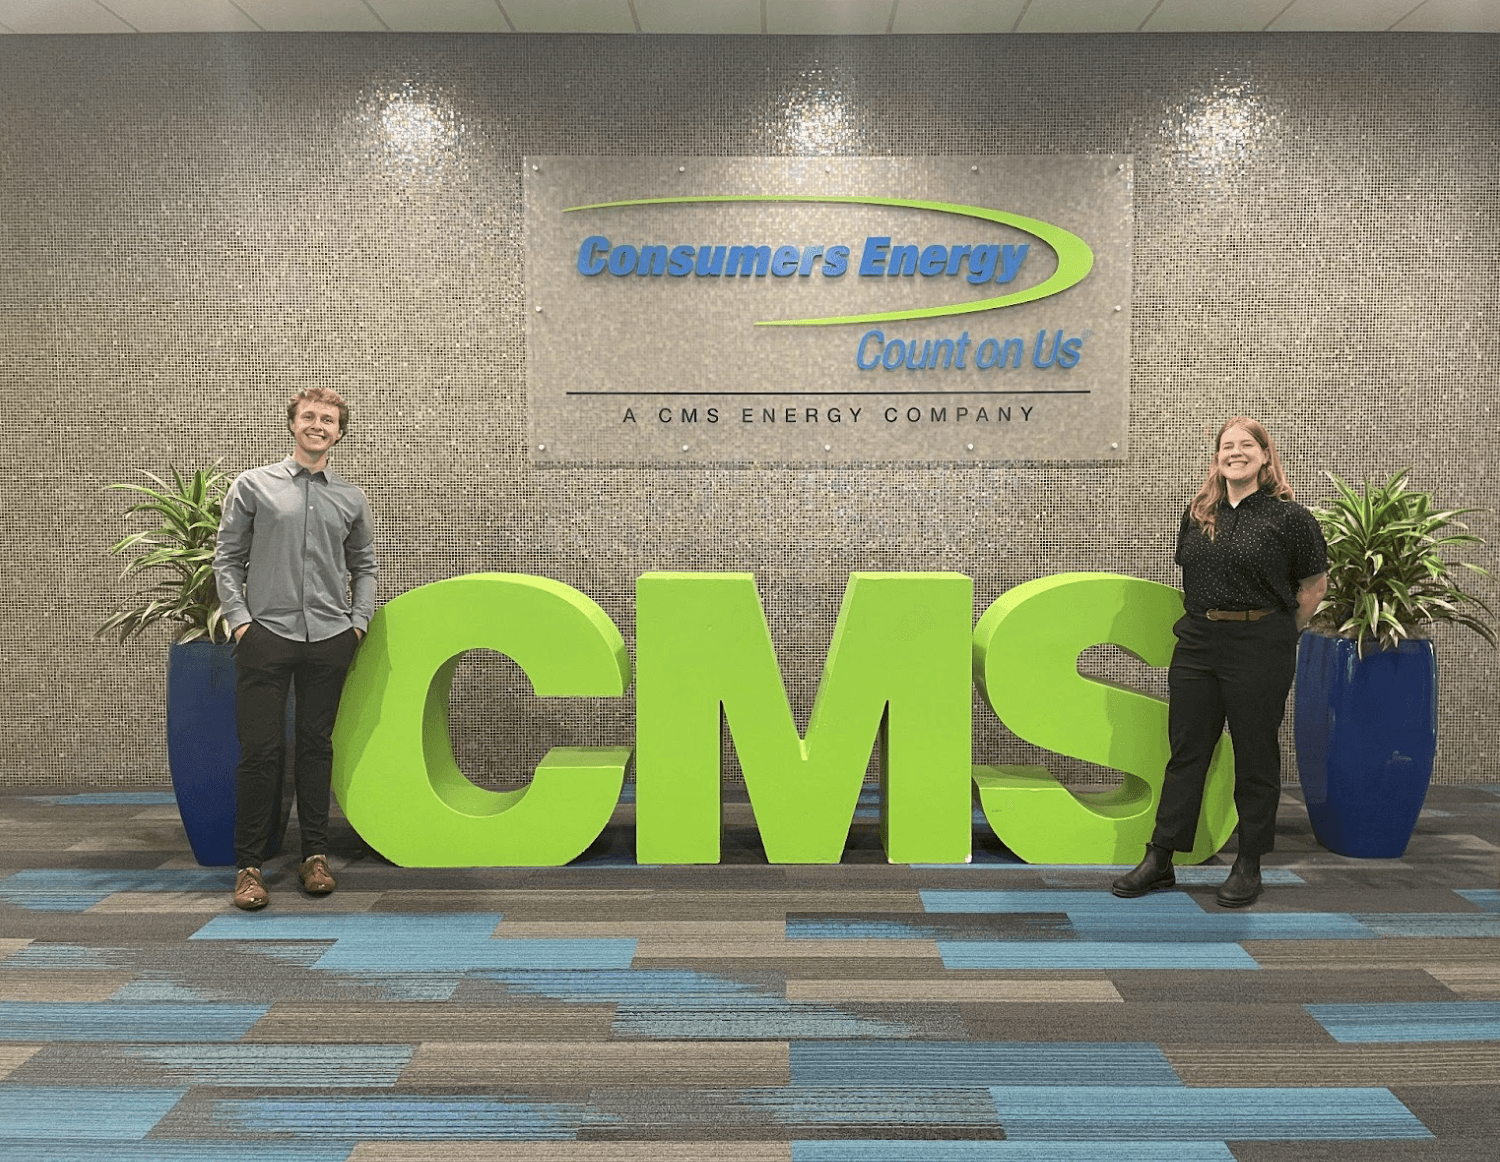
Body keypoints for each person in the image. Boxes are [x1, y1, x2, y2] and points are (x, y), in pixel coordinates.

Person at [1113, 417, 1326, 908]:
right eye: (1227, 446)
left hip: (1261, 643)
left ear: (1265, 456)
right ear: (1217, 458)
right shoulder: (1197, 512)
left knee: (1254, 755)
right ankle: (1160, 858)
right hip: (1198, 643)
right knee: (1187, 751)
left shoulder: (1290, 517)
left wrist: (1276, 634)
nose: (1236, 452)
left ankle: (1248, 862)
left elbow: (1314, 587)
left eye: (1247, 445)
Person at [213, 387, 378, 911]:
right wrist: (241, 623)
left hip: (329, 638)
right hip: (266, 636)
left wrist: (357, 624)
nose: (318, 425)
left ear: (340, 433)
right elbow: (226, 560)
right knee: (260, 753)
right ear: (292, 425)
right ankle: (249, 866)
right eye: (309, 416)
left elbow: (365, 567)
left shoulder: (350, 498)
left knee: (315, 748)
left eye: (328, 420)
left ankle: (315, 857)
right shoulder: (254, 486)